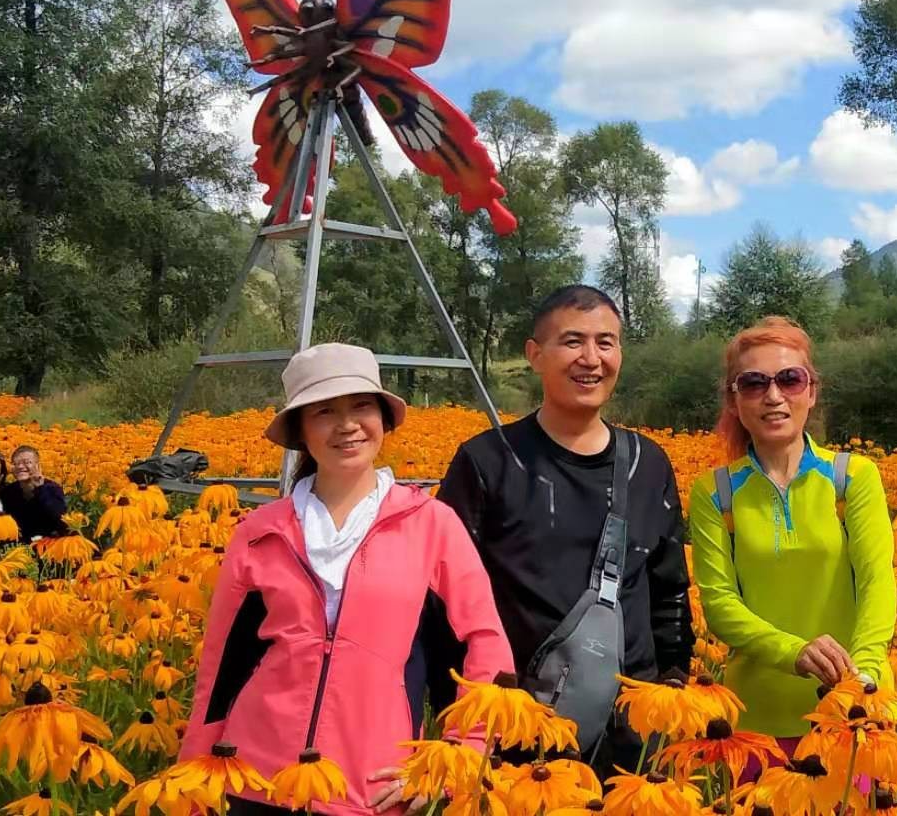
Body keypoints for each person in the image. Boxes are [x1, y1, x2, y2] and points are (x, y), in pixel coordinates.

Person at [180, 343, 514, 816]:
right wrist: (196, 774)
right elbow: (221, 665)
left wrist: (457, 759)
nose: (347, 424)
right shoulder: (259, 533)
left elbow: (483, 644)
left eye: (361, 405)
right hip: (255, 780)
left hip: (372, 788)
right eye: (324, 411)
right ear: (300, 430)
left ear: (384, 418)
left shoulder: (431, 524)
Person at [436, 284, 694, 775]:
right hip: (518, 737)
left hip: (630, 742)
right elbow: (444, 602)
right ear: (535, 355)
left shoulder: (647, 464)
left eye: (606, 342)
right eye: (573, 342)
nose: (591, 359)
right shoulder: (489, 462)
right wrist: (463, 727)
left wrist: (673, 693)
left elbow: (669, 592)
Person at [686, 316, 897, 778]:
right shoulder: (715, 492)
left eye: (789, 379)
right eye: (754, 383)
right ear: (734, 399)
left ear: (812, 390)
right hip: (756, 723)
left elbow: (878, 583)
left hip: (852, 720)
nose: (774, 396)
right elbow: (720, 605)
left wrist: (860, 681)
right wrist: (795, 652)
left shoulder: (853, 477)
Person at [0, 445, 68, 542]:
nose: (20, 466)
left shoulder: (51, 488)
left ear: (38, 466)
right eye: (16, 463)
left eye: (27, 462)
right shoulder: (8, 491)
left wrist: (40, 489)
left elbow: (60, 519)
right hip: (18, 545)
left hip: (49, 543)